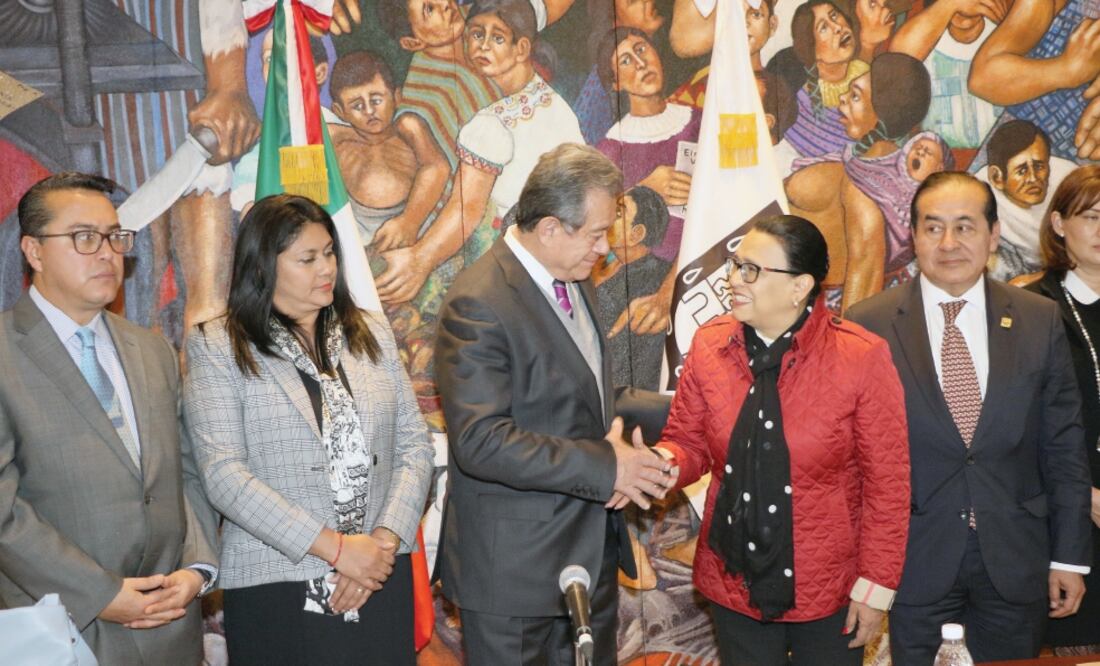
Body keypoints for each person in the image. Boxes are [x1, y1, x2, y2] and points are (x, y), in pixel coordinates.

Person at [435, 143, 675, 665]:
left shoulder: (572, 277)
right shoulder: (480, 301)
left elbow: (582, 398)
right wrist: (609, 466)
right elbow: (482, 440)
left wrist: (683, 409)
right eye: (595, 234)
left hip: (587, 561)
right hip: (516, 581)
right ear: (548, 229)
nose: (605, 248)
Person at [846, 171, 1092, 664]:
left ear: (994, 235)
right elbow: (852, 461)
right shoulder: (866, 324)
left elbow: (1064, 448)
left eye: (965, 226)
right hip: (916, 561)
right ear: (913, 235)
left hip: (1016, 557)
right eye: (933, 227)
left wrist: (1069, 557)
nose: (949, 242)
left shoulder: (1038, 319)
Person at [183, 194, 434, 665]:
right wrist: (337, 550)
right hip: (278, 580)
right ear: (263, 266)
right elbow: (224, 475)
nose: (326, 269)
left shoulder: (371, 332)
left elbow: (414, 447)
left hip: (380, 576)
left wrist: (379, 547)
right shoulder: (218, 345)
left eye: (329, 253)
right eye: (307, 258)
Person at [654, 215, 911, 664]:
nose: (734, 279)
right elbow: (689, 443)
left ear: (800, 287)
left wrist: (876, 589)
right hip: (734, 579)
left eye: (752, 270)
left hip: (830, 591)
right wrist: (660, 462)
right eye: (736, 265)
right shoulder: (710, 345)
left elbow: (887, 486)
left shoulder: (860, 357)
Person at [0, 173, 219, 664]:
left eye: (115, 237)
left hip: (170, 625)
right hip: (57, 628)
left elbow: (185, 472)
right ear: (33, 252)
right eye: (84, 238)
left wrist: (196, 569)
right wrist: (100, 593)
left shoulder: (152, 350)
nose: (106, 253)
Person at [1018, 165, 1100, 656]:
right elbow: (1015, 428)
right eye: (1091, 216)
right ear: (1057, 224)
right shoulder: (1029, 309)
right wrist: (1082, 495)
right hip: (1065, 519)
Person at [328, 50, 449, 250]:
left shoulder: (407, 127)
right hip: (355, 227)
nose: (369, 111)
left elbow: (437, 166)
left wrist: (409, 220)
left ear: (396, 97)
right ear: (340, 112)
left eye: (376, 100)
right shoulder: (335, 137)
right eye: (357, 105)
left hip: (411, 218)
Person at [975, 120, 1077, 281]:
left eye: (1039, 166)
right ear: (997, 177)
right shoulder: (978, 195)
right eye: (1022, 170)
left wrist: (1036, 279)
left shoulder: (1071, 181)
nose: (1033, 178)